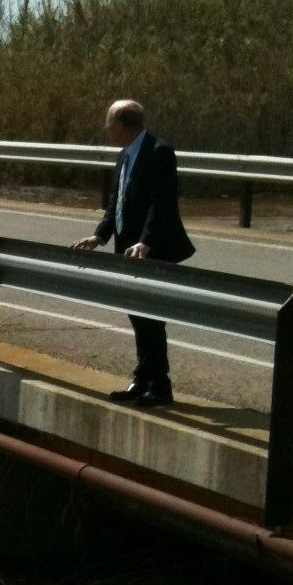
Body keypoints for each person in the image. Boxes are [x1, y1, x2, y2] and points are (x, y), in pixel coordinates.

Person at [73, 100, 195, 408]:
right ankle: (142, 381)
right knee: (137, 314)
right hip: (128, 249)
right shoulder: (125, 156)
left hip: (152, 249)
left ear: (123, 125)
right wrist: (99, 236)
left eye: (109, 123)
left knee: (150, 316)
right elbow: (116, 202)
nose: (107, 129)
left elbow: (161, 203)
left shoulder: (159, 152)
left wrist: (146, 242)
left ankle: (160, 386)